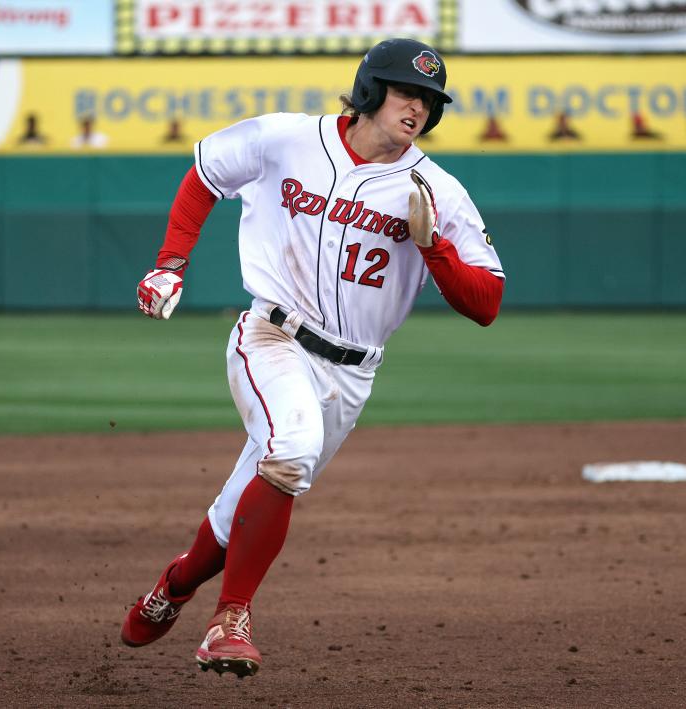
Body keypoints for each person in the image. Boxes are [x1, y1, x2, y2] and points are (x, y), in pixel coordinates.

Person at [122, 38, 505, 678]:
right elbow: (204, 177)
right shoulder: (286, 139)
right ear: (371, 88)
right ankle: (228, 621)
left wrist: (433, 246)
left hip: (351, 374)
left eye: (430, 101)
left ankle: (173, 589)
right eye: (407, 92)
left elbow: (487, 301)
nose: (418, 109)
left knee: (244, 504)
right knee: (291, 450)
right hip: (271, 335)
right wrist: (170, 265)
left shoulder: (435, 191)